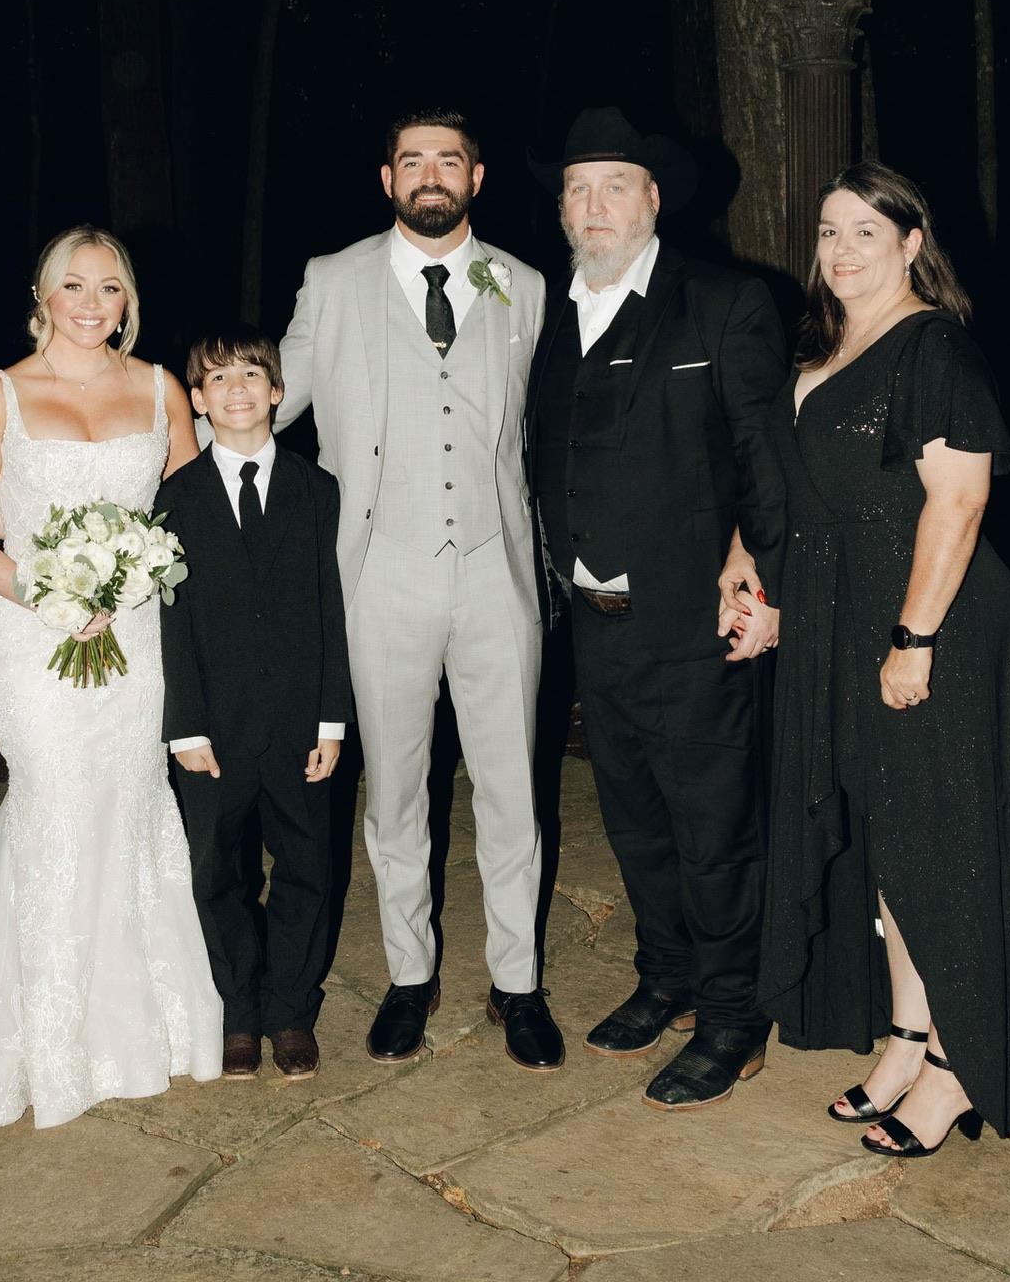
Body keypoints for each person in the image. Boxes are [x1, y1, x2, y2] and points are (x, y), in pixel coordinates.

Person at [756, 163, 1010, 1155]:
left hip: (934, 630)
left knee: (944, 851)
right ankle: (905, 1036)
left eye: (864, 232)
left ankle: (954, 1074)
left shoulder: (932, 348)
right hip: (850, 622)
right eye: (828, 231)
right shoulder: (831, 342)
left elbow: (960, 499)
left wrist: (915, 638)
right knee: (898, 850)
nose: (841, 250)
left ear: (912, 242)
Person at [279, 109, 563, 1070]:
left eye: (449, 160)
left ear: (477, 178)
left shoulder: (521, 285)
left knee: (512, 786)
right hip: (380, 571)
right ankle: (410, 974)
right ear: (386, 177)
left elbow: (549, 427)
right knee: (396, 788)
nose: (430, 175)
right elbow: (265, 400)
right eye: (413, 161)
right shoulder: (334, 280)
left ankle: (517, 983)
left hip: (496, 571)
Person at [525, 108, 788, 1110]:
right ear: (560, 208)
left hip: (699, 620)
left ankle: (732, 1013)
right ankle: (667, 976)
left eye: (613, 187)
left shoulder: (723, 305)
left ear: (654, 200)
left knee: (714, 824)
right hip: (593, 621)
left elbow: (768, 460)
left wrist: (760, 577)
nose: (593, 206)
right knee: (635, 818)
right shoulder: (540, 316)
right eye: (576, 190)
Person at [0, 226, 222, 1128]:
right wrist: (47, 592)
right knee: (56, 801)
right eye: (74, 286)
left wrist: (138, 574)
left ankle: (146, 1019)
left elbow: (193, 515)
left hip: (138, 638)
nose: (92, 304)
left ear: (128, 299)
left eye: (109, 287)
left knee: (127, 798)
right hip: (30, 636)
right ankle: (45, 1039)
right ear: (44, 297)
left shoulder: (159, 387)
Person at [159, 329, 352, 1081]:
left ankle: (290, 1009)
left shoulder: (317, 489)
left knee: (307, 865)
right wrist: (185, 729)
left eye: (251, 374)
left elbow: (332, 608)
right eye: (216, 379)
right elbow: (172, 620)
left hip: (301, 722)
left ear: (277, 391)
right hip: (214, 728)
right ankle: (238, 1011)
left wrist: (332, 720)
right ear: (198, 403)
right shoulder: (175, 498)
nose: (236, 389)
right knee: (219, 871)